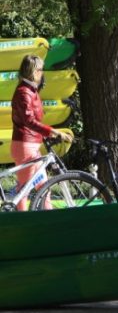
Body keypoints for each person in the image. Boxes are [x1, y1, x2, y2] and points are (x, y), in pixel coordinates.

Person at [11, 54, 73, 211]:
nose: (42, 73)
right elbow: (29, 121)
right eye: (41, 70)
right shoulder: (24, 92)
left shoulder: (31, 90)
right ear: (34, 71)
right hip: (25, 145)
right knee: (24, 190)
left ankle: (48, 217)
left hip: (32, 144)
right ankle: (21, 221)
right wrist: (52, 132)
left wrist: (47, 133)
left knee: (44, 186)